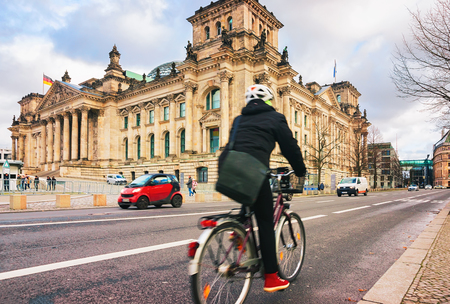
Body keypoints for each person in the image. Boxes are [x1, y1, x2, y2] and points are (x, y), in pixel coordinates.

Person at [218, 84, 306, 293]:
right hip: (254, 168)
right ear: (268, 101)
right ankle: (272, 278)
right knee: (265, 223)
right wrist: (300, 170)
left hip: (228, 166)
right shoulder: (275, 117)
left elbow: (238, 144)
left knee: (247, 195)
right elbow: (290, 147)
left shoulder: (239, 119)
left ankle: (238, 231)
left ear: (249, 102)